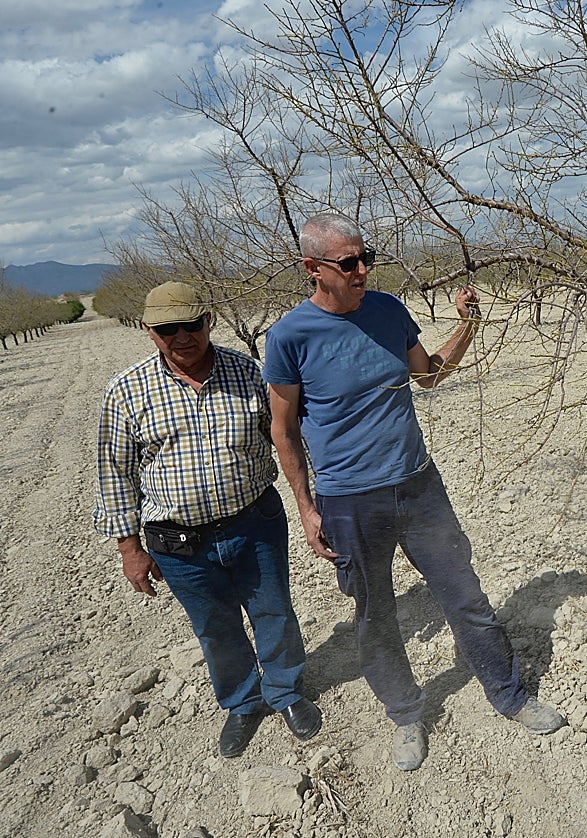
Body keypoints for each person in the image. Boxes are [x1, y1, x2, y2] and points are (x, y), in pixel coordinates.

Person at [262, 212, 563, 772]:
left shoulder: (388, 310)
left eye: (365, 257)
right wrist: (307, 507)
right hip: (349, 501)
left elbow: (427, 375)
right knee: (375, 614)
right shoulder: (289, 337)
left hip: (419, 486)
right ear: (313, 268)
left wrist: (468, 323)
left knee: (464, 593)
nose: (362, 270)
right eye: (348, 262)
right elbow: (283, 430)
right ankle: (405, 714)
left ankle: (510, 695)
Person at [94, 281, 321, 759]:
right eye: (167, 328)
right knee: (216, 628)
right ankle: (242, 702)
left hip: (254, 521)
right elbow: (114, 473)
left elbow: (282, 436)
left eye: (191, 324)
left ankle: (286, 693)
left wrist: (316, 498)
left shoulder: (246, 371)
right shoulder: (125, 391)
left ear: (209, 321)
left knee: (274, 612)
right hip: (179, 544)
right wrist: (129, 549)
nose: (182, 336)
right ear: (148, 331)